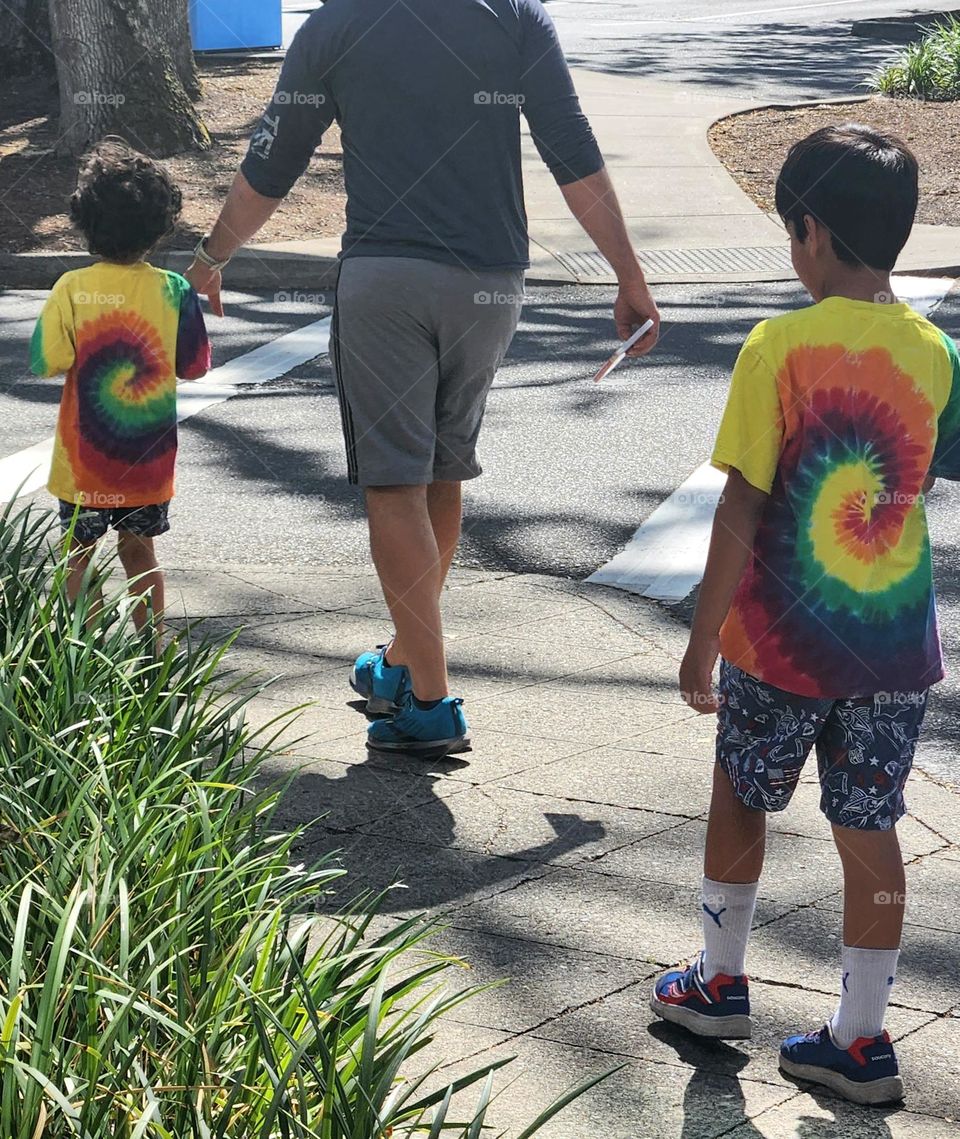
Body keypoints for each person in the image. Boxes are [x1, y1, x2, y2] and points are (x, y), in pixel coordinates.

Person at [185, 0, 660, 758]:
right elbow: (574, 154)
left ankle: (430, 701)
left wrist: (212, 256)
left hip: (386, 277)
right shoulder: (515, 19)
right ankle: (404, 658)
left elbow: (271, 164)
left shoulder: (336, 26)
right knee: (441, 471)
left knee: (394, 483)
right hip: (492, 284)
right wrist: (629, 276)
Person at [649, 125, 960, 1105]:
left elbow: (739, 504)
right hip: (891, 648)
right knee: (870, 825)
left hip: (779, 638)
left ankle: (718, 978)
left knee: (741, 793)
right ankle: (861, 1038)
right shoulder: (939, 354)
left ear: (812, 233)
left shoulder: (778, 345)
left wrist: (701, 640)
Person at [31, 141, 211, 640]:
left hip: (83, 463)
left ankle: (80, 657)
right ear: (159, 226)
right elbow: (194, 367)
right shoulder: (175, 290)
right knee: (140, 552)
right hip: (147, 463)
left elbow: (48, 361)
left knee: (77, 556)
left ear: (85, 223)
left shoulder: (71, 287)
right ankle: (152, 653)